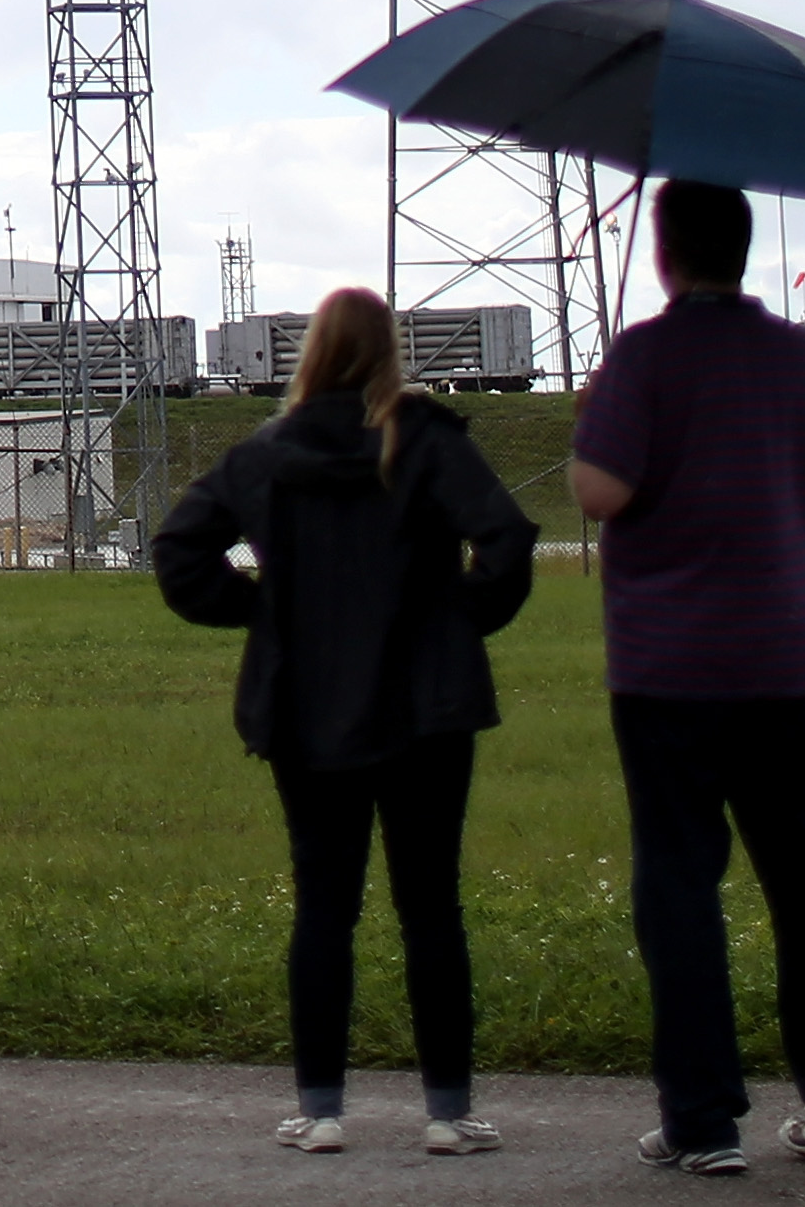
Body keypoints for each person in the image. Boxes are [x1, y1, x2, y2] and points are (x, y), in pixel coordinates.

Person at [156, 286, 538, 1158]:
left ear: (310, 352)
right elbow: (507, 538)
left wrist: (257, 609)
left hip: (304, 702)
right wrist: (458, 618)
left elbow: (179, 549)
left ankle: (321, 1108)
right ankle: (446, 1111)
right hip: (427, 704)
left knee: (323, 906)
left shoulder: (265, 452)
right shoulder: (426, 440)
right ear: (388, 351)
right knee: (430, 904)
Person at [569, 178, 805, 1174]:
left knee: (679, 884)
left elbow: (598, 490)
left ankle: (702, 1118)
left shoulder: (641, 355)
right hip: (790, 661)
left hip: (670, 665)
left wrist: (601, 415)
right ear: (744, 249)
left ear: (663, 252)